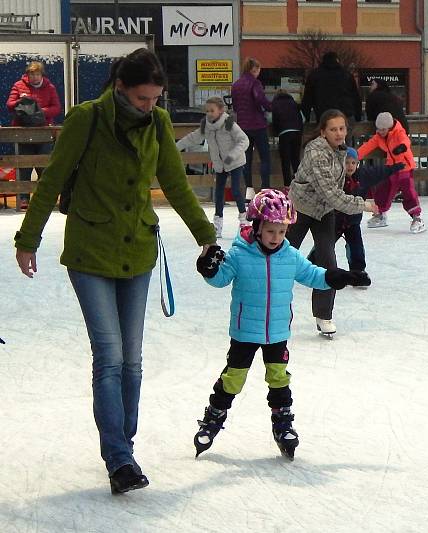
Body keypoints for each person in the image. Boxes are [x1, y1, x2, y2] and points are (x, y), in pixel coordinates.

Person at [13, 48, 217, 494]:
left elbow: (176, 184)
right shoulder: (87, 119)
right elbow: (51, 180)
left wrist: (207, 235)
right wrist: (27, 238)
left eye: (156, 100)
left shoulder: (158, 124)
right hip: (91, 253)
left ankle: (122, 445)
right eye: (143, 99)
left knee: (133, 361)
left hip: (138, 249)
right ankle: (120, 458)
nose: (150, 107)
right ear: (121, 88)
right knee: (109, 357)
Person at [193, 189, 369, 460]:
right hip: (245, 332)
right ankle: (213, 419)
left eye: (282, 232)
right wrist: (209, 268)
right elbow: (221, 279)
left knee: (278, 378)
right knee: (233, 378)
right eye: (271, 231)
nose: (276, 238)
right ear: (257, 227)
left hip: (277, 333)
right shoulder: (240, 255)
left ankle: (283, 423)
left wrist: (341, 277)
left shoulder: (289, 256)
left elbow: (313, 274)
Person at [287, 109, 379, 336]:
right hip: (300, 209)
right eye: (333, 129)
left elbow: (333, 194)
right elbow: (330, 193)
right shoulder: (316, 152)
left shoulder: (341, 151)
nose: (339, 133)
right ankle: (266, 307)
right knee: (280, 257)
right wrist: (363, 205)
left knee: (328, 262)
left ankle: (323, 315)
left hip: (324, 212)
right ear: (323, 132)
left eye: (342, 128)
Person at [309, 148, 403, 284]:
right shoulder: (334, 177)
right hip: (334, 220)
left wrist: (397, 166)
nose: (350, 166)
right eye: (346, 163)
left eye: (353, 163)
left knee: (356, 246)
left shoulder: (363, 175)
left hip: (352, 221)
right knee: (325, 245)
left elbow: (380, 172)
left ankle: (358, 271)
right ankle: (311, 263)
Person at [177, 96, 249, 238]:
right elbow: (193, 138)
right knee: (218, 193)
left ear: (221, 110)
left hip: (234, 162)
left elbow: (244, 140)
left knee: (235, 190)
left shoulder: (229, 124)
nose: (209, 113)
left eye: (212, 110)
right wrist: (175, 147)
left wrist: (232, 156)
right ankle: (217, 224)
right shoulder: (206, 127)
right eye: (207, 111)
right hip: (219, 164)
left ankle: (244, 221)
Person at [6, 61, 62, 211]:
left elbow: (56, 108)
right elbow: (9, 105)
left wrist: (40, 111)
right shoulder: (18, 85)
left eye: (37, 74)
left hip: (43, 133)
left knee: (43, 167)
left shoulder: (50, 88)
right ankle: (24, 200)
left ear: (42, 75)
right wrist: (21, 101)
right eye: (31, 74)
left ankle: (44, 199)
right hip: (23, 133)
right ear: (27, 75)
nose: (34, 77)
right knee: (23, 168)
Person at [357, 112, 426, 233]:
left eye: (383, 129)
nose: (380, 132)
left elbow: (405, 141)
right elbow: (367, 147)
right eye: (378, 129)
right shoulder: (379, 136)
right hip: (391, 167)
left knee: (408, 191)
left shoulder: (399, 132)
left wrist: (402, 148)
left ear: (389, 127)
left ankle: (417, 217)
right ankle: (381, 214)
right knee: (384, 189)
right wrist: (354, 156)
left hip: (404, 166)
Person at [231, 57, 272, 200]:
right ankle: (265, 188)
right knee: (265, 158)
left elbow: (235, 107)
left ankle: (249, 189)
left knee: (246, 159)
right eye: (258, 69)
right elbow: (260, 99)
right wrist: (271, 107)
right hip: (258, 125)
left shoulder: (236, 85)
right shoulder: (255, 83)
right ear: (254, 69)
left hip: (243, 126)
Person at [301, 52, 362, 124]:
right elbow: (355, 97)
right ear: (337, 60)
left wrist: (306, 117)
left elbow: (307, 99)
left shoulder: (314, 75)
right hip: (346, 115)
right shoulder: (346, 75)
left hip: (324, 116)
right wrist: (358, 117)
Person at [271, 88, 304, 186]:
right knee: (296, 159)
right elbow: (301, 118)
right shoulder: (294, 103)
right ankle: (299, 183)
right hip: (297, 132)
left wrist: (277, 132)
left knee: (285, 160)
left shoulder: (275, 104)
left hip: (284, 133)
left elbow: (274, 120)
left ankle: (287, 185)